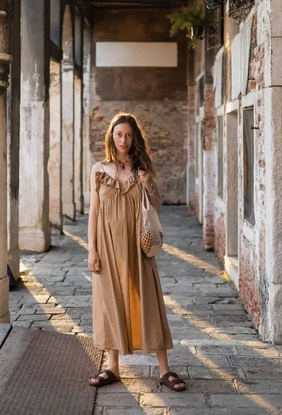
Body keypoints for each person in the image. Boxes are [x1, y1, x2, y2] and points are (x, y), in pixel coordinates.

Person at [87, 112, 186, 391]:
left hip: (138, 246)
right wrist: (92, 250)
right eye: (119, 134)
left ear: (134, 138)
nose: (124, 140)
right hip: (107, 247)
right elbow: (94, 212)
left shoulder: (141, 168)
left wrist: (146, 184)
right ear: (111, 136)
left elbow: (156, 204)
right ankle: (112, 367)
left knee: (148, 300)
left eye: (129, 135)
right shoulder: (98, 170)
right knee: (110, 303)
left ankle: (165, 370)